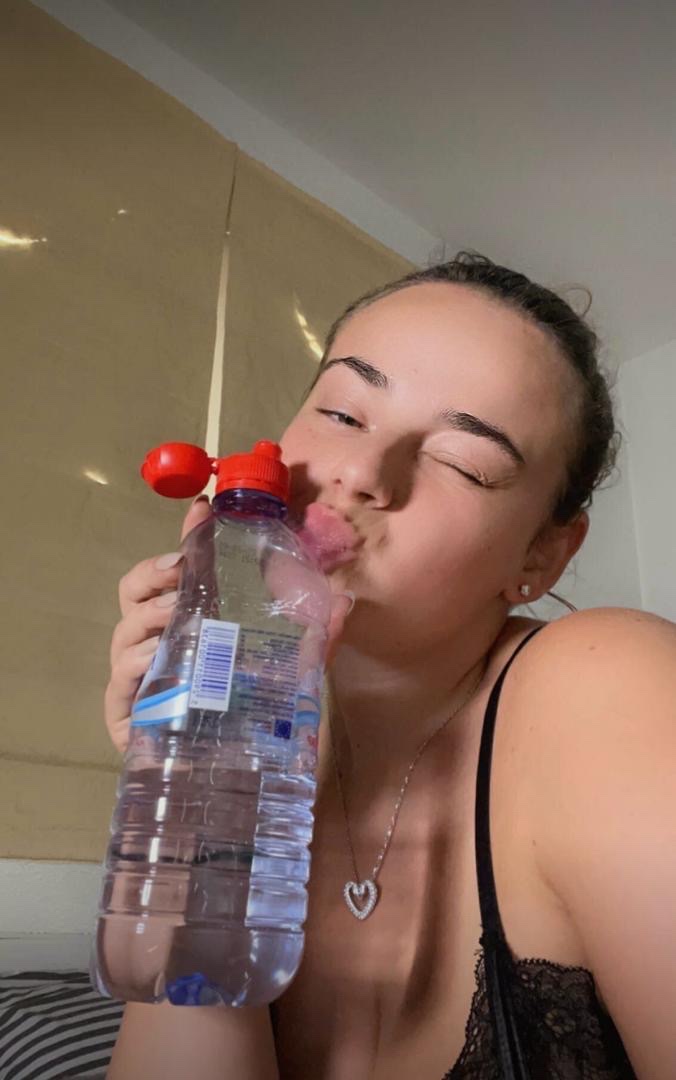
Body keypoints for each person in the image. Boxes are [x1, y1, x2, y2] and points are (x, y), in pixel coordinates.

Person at [104, 253, 676, 1079]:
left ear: (542, 556)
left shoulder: (609, 684)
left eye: (464, 462)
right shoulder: (269, 751)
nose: (361, 474)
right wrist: (202, 790)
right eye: (341, 412)